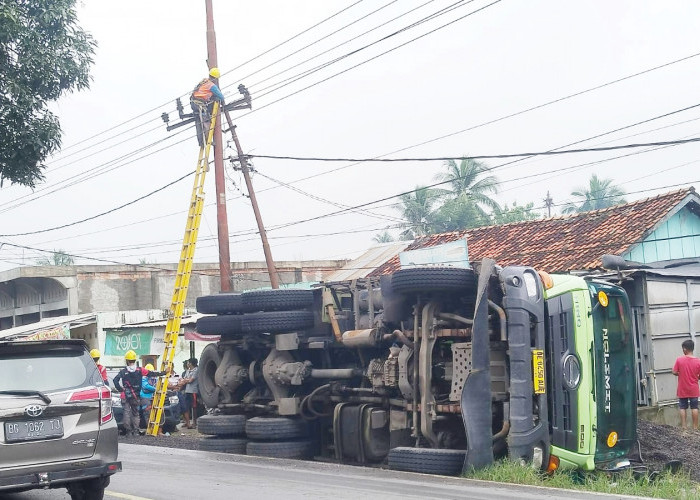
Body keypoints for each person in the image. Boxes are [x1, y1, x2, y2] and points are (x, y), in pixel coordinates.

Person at [113, 351, 168, 436]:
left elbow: (115, 380)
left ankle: (128, 432)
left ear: (127, 360)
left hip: (125, 396)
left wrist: (120, 389)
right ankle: (136, 431)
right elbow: (152, 373)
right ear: (135, 360)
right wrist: (164, 372)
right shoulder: (140, 370)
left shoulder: (123, 371)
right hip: (136, 396)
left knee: (126, 413)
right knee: (135, 413)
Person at [190, 67, 225, 147]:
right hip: (199, 104)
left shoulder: (204, 81)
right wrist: (220, 100)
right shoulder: (212, 85)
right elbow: (221, 97)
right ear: (216, 78)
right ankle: (207, 140)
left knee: (199, 122)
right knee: (206, 121)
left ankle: (201, 142)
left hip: (194, 103)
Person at [672, 339, 700, 429]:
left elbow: (674, 371)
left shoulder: (679, 360)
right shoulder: (698, 361)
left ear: (684, 349)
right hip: (694, 388)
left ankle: (684, 427)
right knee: (694, 407)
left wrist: (680, 373)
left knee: (683, 407)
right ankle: (695, 428)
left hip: (682, 388)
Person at [180, 358, 199, 429]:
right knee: (186, 406)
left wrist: (185, 380)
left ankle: (194, 422)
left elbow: (191, 380)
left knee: (194, 407)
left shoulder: (196, 370)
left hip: (193, 391)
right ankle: (187, 422)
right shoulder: (188, 370)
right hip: (187, 391)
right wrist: (185, 380)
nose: (187, 364)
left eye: (188, 362)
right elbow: (184, 379)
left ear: (191, 363)